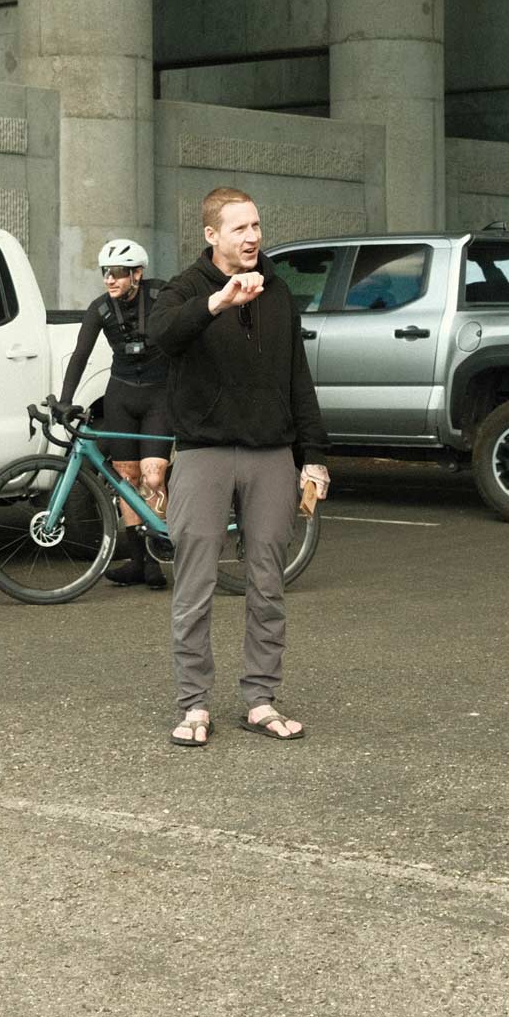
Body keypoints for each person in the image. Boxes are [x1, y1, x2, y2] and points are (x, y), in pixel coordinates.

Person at [147, 187, 331, 749]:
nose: (252, 237)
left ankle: (260, 698)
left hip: (271, 453)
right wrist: (218, 304)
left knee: (268, 584)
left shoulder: (277, 292)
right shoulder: (182, 290)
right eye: (239, 229)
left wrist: (315, 456)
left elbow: (297, 376)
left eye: (256, 226)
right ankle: (193, 703)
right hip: (203, 452)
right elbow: (162, 338)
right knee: (195, 585)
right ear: (211, 235)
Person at [58, 238, 171, 590]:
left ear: (138, 273)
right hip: (120, 394)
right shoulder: (100, 308)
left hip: (159, 395)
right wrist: (64, 400)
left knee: (152, 477)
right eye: (105, 272)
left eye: (118, 273)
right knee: (126, 479)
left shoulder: (160, 296)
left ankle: (155, 558)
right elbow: (80, 354)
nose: (110, 279)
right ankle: (136, 562)